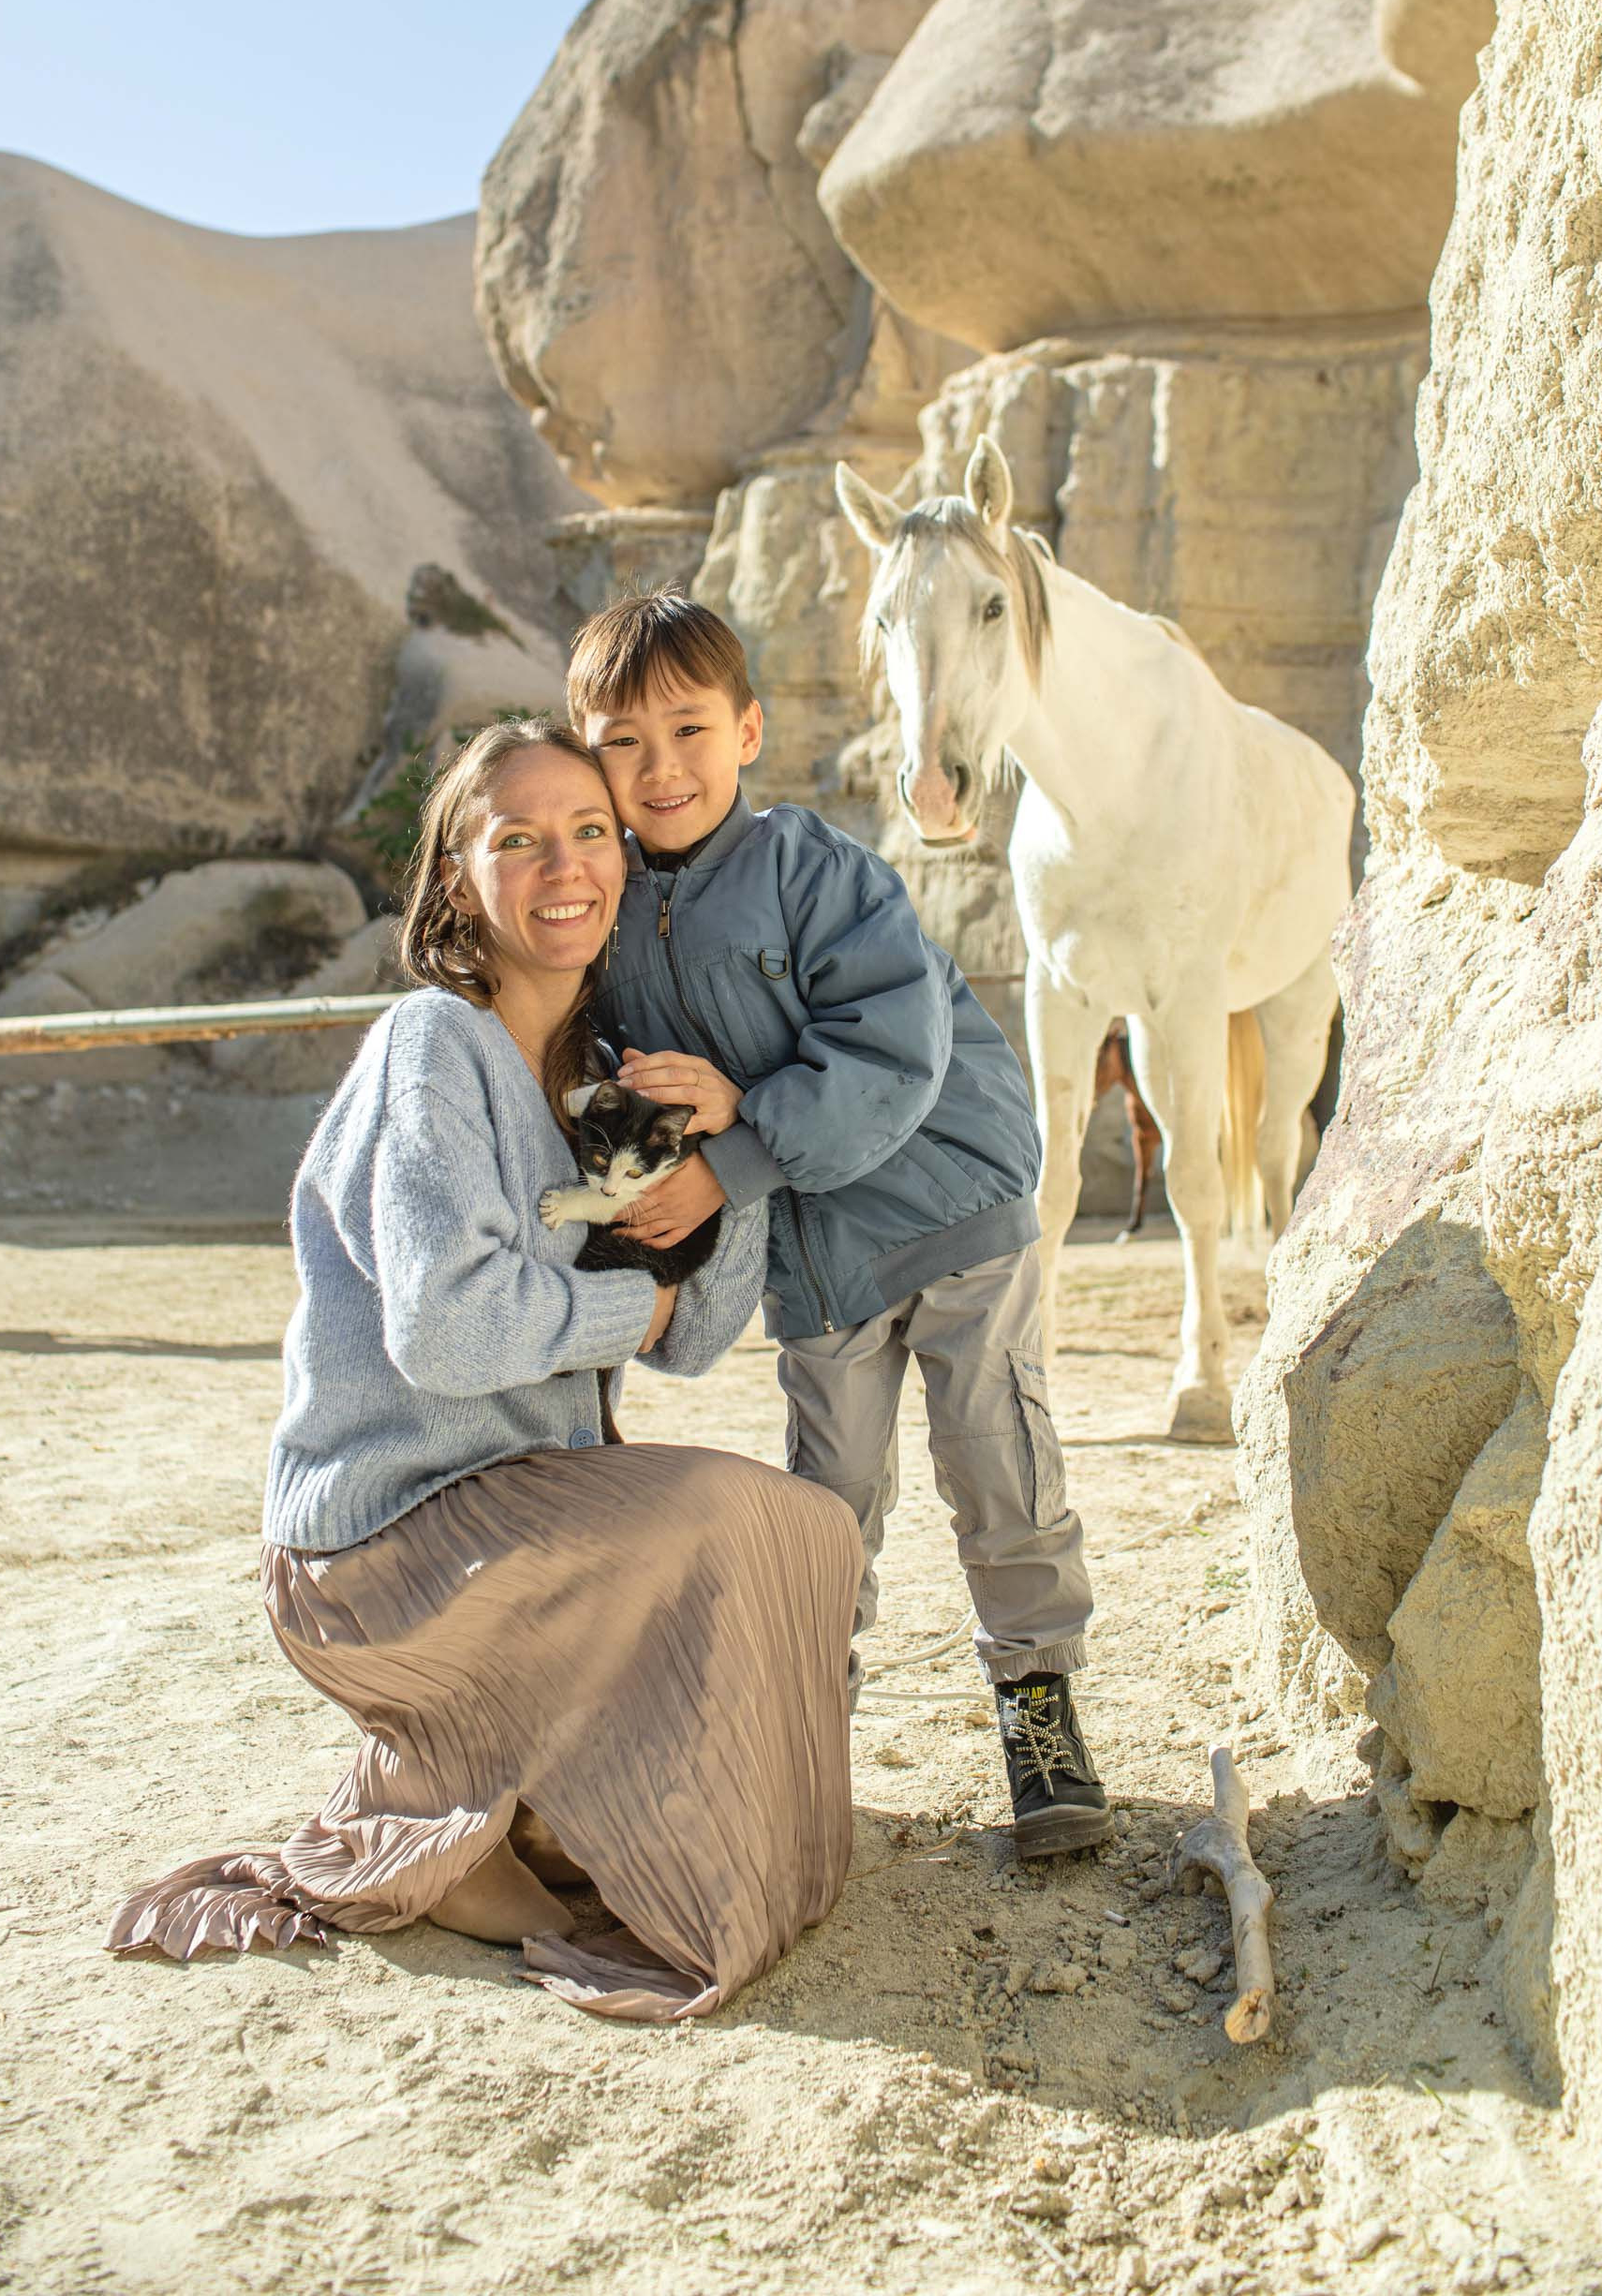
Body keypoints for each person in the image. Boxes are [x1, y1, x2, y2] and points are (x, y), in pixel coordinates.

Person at [107, 718, 863, 2021]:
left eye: (587, 833)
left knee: (808, 1527)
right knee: (721, 1516)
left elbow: (694, 1334)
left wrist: (728, 1162)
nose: (562, 865)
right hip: (380, 1552)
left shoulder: (599, 1079)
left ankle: (507, 1808)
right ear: (461, 878)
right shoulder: (432, 1045)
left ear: (622, 862)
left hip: (526, 1528)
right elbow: (449, 1332)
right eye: (516, 840)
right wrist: (625, 1311)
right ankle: (430, 1822)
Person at [566, 595, 1110, 1859]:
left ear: (748, 731)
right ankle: (809, 1734)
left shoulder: (815, 871)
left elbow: (892, 1047)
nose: (661, 769)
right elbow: (617, 1078)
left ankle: (1040, 1708)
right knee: (830, 1499)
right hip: (816, 1261)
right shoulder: (604, 920)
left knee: (997, 1459)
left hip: (953, 1208)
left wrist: (736, 1144)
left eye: (690, 730)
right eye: (624, 743)